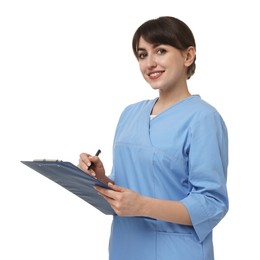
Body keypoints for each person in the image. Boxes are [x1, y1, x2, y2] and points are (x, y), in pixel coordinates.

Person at [78, 16, 228, 260]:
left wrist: (143, 206)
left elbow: (211, 204)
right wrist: (102, 178)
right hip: (125, 247)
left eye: (160, 50)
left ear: (188, 56)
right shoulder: (130, 113)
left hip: (176, 251)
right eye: (142, 54)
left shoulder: (203, 118)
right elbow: (133, 187)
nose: (150, 63)